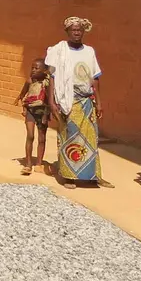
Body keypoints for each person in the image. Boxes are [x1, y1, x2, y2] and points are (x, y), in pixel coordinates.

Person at [46, 17, 104, 187]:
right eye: (73, 30)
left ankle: (90, 176)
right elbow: (53, 76)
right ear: (67, 32)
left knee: (90, 139)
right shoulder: (59, 51)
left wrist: (99, 102)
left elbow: (95, 78)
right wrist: (51, 101)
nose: (77, 33)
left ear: (83, 31)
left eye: (79, 30)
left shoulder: (89, 51)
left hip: (86, 101)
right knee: (68, 136)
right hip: (67, 100)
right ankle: (69, 176)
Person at [15, 58, 53, 176]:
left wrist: (47, 114)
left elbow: (49, 99)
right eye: (32, 68)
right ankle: (28, 163)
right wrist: (22, 105)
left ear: (45, 71)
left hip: (42, 112)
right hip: (31, 110)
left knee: (41, 138)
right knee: (30, 136)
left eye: (37, 68)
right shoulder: (30, 81)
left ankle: (39, 163)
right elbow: (22, 94)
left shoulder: (47, 83)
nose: (33, 70)